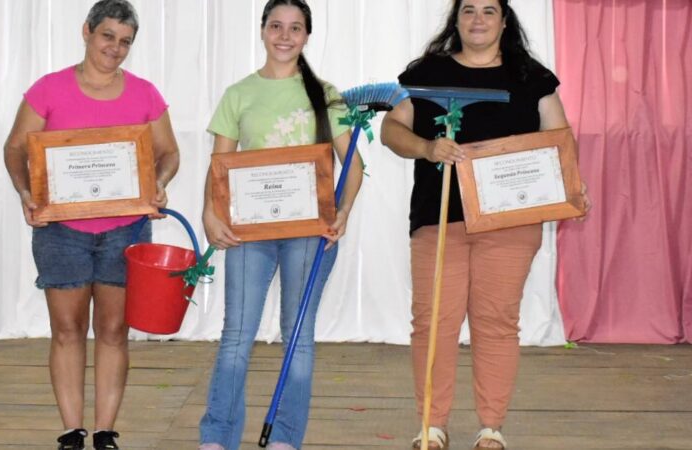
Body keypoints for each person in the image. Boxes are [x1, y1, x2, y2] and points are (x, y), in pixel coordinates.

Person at [380, 1, 590, 449]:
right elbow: (392, 130)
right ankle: (430, 427)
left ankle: (491, 427)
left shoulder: (531, 78)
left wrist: (572, 187)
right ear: (455, 20)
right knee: (434, 322)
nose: (478, 19)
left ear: (504, 20)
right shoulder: (426, 72)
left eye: (489, 10)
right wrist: (426, 147)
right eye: (469, 10)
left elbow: (560, 138)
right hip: (439, 219)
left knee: (496, 322)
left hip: (510, 223)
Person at [2, 1, 180, 449]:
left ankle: (104, 431)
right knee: (66, 329)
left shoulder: (145, 94)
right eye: (108, 37)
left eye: (125, 42)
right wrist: (26, 192)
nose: (115, 49)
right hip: (61, 230)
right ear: (87, 32)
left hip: (127, 228)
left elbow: (169, 153)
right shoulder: (48, 89)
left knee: (115, 330)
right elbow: (14, 149)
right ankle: (71, 431)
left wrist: (157, 185)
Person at [197, 1, 363, 449]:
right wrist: (210, 213)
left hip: (311, 233)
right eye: (276, 26)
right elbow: (220, 165)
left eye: (295, 28)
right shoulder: (238, 94)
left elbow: (354, 165)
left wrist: (342, 212)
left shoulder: (327, 95)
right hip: (250, 230)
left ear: (307, 35)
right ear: (263, 30)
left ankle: (286, 438)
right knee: (237, 334)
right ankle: (217, 436)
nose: (284, 35)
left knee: (298, 337)